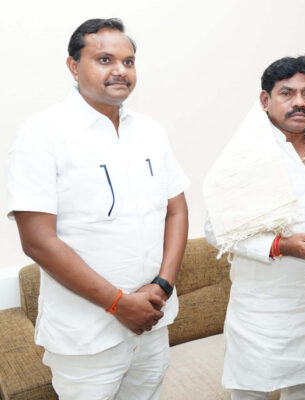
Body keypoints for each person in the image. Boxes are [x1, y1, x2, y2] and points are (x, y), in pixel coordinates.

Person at [6, 18, 189, 400]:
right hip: (86, 337)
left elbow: (175, 210)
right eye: (105, 59)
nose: (120, 70)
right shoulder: (42, 134)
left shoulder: (151, 131)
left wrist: (163, 285)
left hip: (153, 322)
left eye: (128, 61)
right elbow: (38, 241)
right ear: (74, 66)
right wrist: (119, 304)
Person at [203, 55, 305, 400]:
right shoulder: (245, 157)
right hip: (261, 312)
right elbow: (218, 230)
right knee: (251, 390)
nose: (299, 102)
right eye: (287, 93)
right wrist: (281, 246)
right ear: (265, 100)